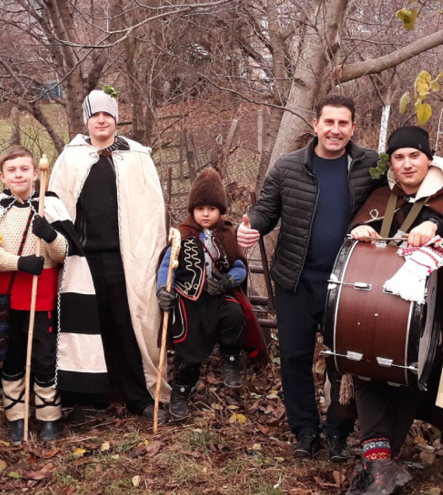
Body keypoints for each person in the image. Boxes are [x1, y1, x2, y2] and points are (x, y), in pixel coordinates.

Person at [237, 95, 381, 462]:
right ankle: (304, 429)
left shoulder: (370, 166)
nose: (335, 130)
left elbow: (405, 187)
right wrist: (251, 227)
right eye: (328, 122)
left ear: (353, 128)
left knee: (343, 364)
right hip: (296, 282)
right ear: (315, 124)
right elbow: (267, 209)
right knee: (295, 359)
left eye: (343, 123)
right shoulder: (288, 167)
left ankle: (337, 432)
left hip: (348, 285)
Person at [340, 125, 443, 495]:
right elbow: (354, 240)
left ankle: (384, 460)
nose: (406, 163)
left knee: (406, 377)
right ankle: (380, 463)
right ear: (392, 164)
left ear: (428, 159)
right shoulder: (382, 197)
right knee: (366, 369)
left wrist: (437, 227)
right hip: (373, 310)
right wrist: (361, 230)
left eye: (414, 156)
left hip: (429, 314)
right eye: (398, 157)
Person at [48, 89, 169, 422]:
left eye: (108, 114)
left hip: (126, 259)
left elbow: (151, 211)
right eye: (95, 115)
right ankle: (89, 399)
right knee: (88, 326)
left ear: (115, 118)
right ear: (87, 120)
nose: (102, 120)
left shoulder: (136, 156)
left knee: (130, 323)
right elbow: (56, 207)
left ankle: (139, 396)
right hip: (83, 259)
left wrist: (150, 254)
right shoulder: (71, 157)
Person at [0, 146, 71, 444]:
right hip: (6, 293)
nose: (18, 174)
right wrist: (19, 262)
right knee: (11, 356)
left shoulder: (50, 206)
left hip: (41, 293)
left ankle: (49, 416)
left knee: (43, 354)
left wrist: (50, 235)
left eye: (24, 169)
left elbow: (65, 253)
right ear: (3, 175)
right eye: (12, 170)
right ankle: (16, 415)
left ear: (36, 174)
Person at [156, 168, 264, 420]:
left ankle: (230, 359)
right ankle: (182, 389)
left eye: (212, 209)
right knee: (186, 338)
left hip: (218, 295)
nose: (206, 213)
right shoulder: (180, 235)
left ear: (220, 211)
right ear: (193, 210)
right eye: (200, 208)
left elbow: (239, 266)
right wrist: (163, 290)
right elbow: (166, 266)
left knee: (234, 313)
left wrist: (228, 281)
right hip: (188, 298)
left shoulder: (228, 233)